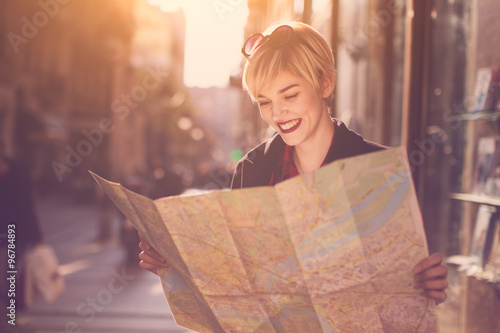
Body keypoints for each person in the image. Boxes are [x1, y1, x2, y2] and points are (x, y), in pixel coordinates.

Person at [138, 21, 448, 304]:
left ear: (325, 84)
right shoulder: (252, 170)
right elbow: (234, 280)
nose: (277, 114)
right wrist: (173, 267)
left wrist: (425, 286)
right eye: (265, 101)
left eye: (289, 95)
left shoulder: (379, 169)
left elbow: (402, 286)